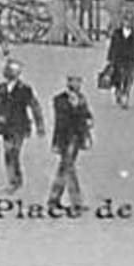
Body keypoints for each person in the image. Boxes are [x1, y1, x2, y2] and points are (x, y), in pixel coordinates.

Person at [0, 59, 45, 193]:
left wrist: (40, 125)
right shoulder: (1, 88)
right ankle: (13, 179)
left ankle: (15, 181)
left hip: (20, 126)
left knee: (13, 152)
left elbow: (35, 106)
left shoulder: (25, 89)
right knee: (8, 153)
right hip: (6, 127)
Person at [48, 75, 93, 210]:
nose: (77, 84)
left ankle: (54, 198)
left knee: (64, 168)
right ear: (68, 83)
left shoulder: (82, 99)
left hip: (77, 138)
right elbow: (61, 122)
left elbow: (87, 115)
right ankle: (76, 201)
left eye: (79, 81)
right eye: (74, 81)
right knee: (69, 169)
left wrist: (88, 122)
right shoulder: (60, 100)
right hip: (65, 138)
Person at [104, 8, 134, 109]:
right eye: (126, 20)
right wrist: (110, 60)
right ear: (122, 21)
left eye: (131, 20)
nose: (128, 22)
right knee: (118, 78)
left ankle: (125, 95)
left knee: (129, 79)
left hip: (130, 59)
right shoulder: (117, 32)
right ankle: (118, 92)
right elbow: (112, 46)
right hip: (118, 59)